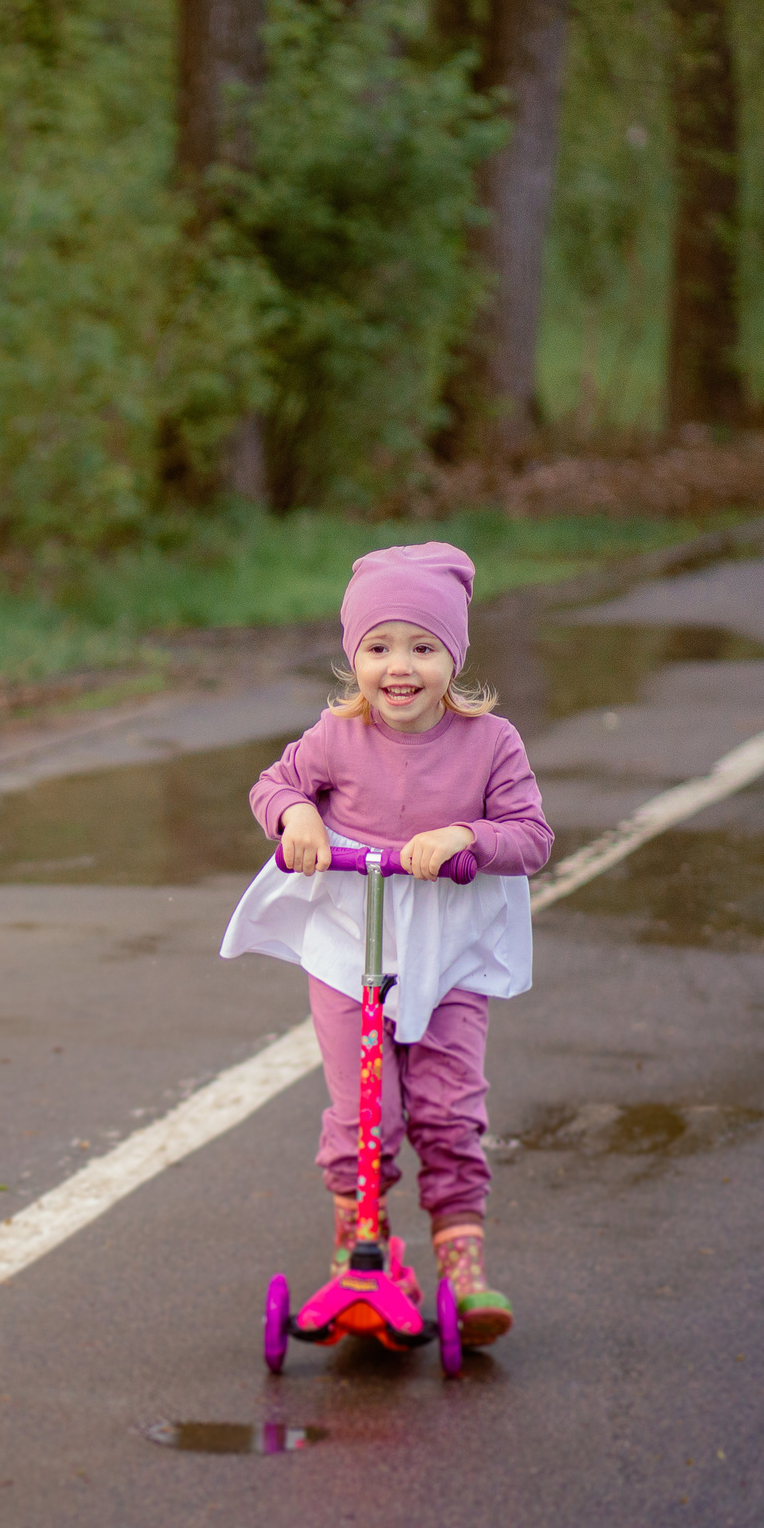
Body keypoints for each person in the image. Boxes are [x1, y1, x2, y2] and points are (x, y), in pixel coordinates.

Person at [218, 542, 550, 1345]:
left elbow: (531, 836)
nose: (399, 668)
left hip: (448, 949)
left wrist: (468, 835)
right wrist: (297, 814)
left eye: (423, 647)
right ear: (354, 657)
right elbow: (275, 784)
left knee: (446, 1106)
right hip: (350, 940)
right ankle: (359, 1249)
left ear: (453, 657)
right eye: (379, 647)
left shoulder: (490, 742)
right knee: (366, 1109)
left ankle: (463, 1265)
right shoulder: (337, 735)